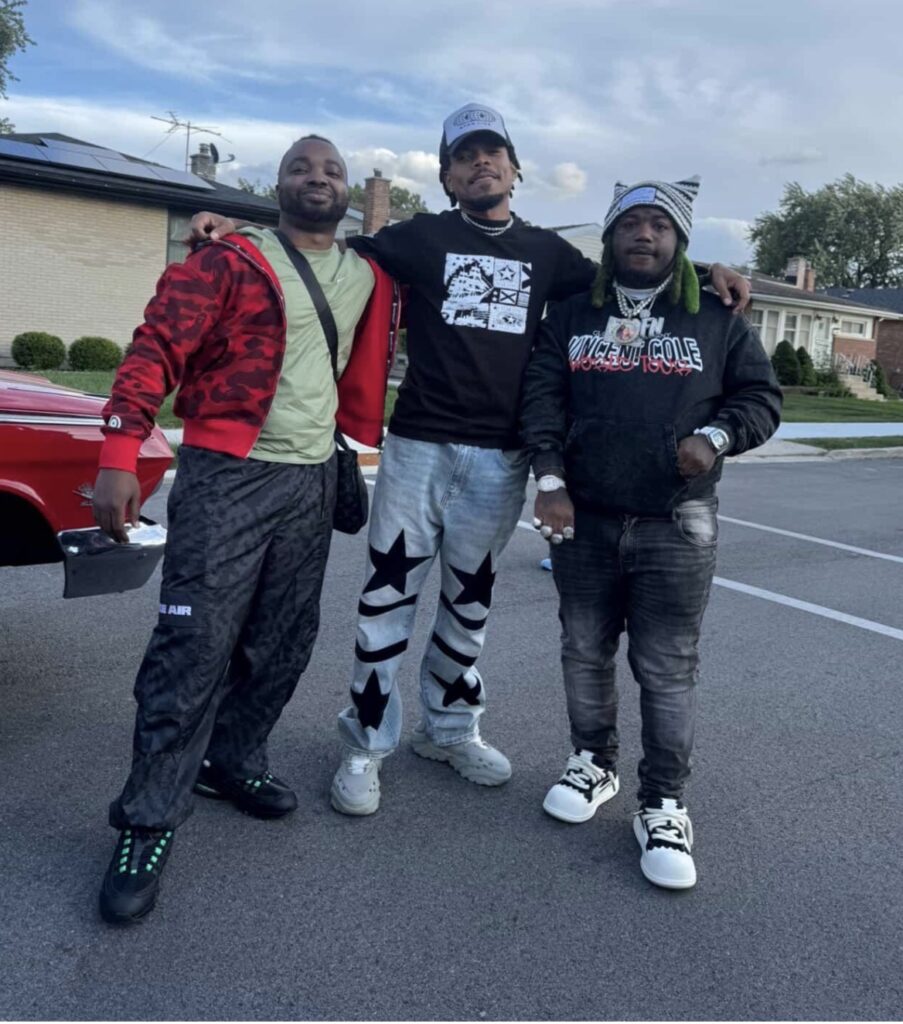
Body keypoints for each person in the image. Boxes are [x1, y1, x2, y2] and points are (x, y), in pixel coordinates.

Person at [189, 104, 752, 818]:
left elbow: (629, 273)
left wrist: (707, 268)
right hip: (418, 449)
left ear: (514, 169)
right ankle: (365, 744)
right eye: (464, 156)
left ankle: (450, 731)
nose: (480, 163)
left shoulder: (549, 254)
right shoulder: (416, 238)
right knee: (385, 602)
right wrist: (236, 227)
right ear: (448, 176)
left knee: (468, 607)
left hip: (499, 460)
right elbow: (315, 243)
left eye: (493, 152)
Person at [92, 135, 399, 924]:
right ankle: (147, 821)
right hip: (225, 474)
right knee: (193, 646)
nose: (317, 178)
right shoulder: (230, 260)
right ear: (279, 185)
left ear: (346, 191)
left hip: (311, 479)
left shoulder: (369, 273)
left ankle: (230, 760)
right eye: (301, 167)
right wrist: (120, 452)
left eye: (331, 170)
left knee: (282, 641)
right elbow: (156, 344)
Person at [519, 176, 781, 889]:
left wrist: (716, 437)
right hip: (585, 516)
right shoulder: (572, 313)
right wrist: (550, 479)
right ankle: (592, 763)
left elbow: (761, 398)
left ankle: (663, 803)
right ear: (609, 236)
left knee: (665, 667)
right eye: (631, 222)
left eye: (660, 225)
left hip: (677, 521)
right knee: (583, 648)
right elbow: (541, 398)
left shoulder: (717, 317)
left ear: (680, 241)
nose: (644, 234)